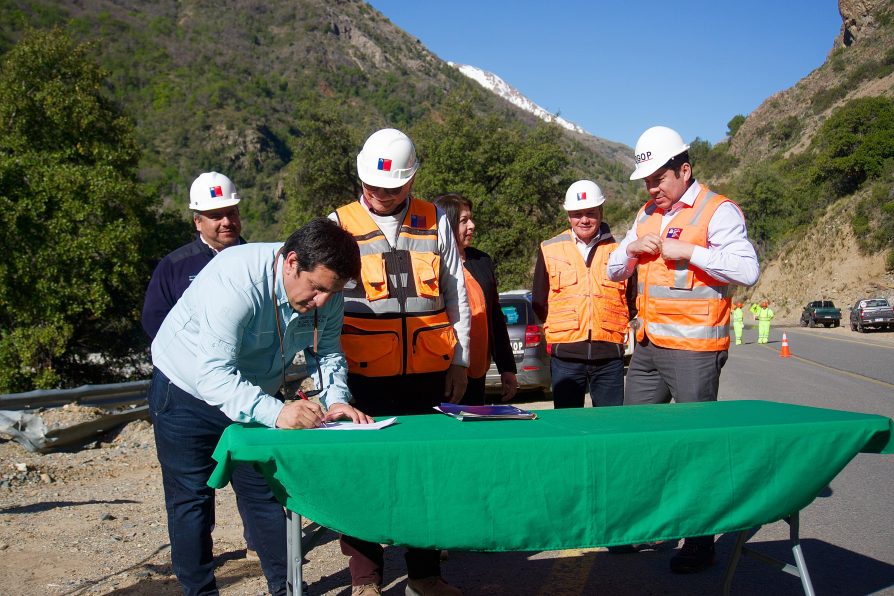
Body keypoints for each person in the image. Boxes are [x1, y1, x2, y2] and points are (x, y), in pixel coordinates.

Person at [148, 218, 372, 596]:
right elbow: (214, 375)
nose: (321, 302)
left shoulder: (327, 293)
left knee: (266, 495)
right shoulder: (235, 280)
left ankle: (285, 590)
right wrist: (278, 412)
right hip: (186, 390)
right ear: (291, 262)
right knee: (192, 500)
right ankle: (199, 592)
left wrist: (335, 398)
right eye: (316, 289)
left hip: (255, 393)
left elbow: (328, 349)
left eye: (331, 293)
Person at [607, 126, 760, 574]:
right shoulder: (645, 214)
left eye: (659, 179)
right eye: (646, 182)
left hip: (694, 352)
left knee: (695, 447)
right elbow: (616, 268)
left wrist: (689, 251)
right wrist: (631, 249)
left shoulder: (718, 211)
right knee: (635, 440)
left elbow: (746, 269)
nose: (652, 189)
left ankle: (698, 541)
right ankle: (639, 527)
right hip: (649, 349)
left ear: (684, 169)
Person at [330, 128, 470, 596]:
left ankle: (425, 577)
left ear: (411, 181)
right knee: (366, 479)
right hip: (363, 380)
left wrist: (461, 362)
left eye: (391, 187)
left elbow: (456, 293)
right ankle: (365, 580)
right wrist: (326, 381)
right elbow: (323, 307)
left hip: (429, 374)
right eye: (373, 186)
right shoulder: (339, 223)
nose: (380, 195)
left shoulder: (435, 221)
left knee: (425, 477)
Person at [532, 180, 636, 409]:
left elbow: (632, 300)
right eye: (577, 214)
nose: (584, 220)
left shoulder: (621, 251)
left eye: (590, 213)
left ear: (601, 212)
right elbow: (539, 301)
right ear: (569, 215)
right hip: (565, 356)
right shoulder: (549, 248)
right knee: (569, 427)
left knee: (609, 426)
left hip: (609, 355)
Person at [433, 193, 518, 404]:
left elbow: (495, 318)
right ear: (446, 223)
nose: (471, 225)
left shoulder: (481, 261)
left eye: (471, 219)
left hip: (478, 370)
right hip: (442, 372)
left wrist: (507, 368)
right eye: (464, 221)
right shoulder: (432, 264)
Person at [142, 171, 246, 339]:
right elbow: (154, 319)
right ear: (198, 222)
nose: (226, 222)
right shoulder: (174, 266)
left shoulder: (259, 262)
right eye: (216, 216)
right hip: (189, 362)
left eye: (231, 213)